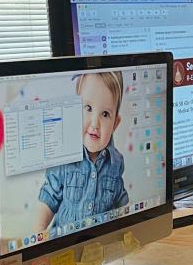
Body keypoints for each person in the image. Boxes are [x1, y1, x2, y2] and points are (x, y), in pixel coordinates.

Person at [37, 70, 129, 236]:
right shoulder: (64, 155)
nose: (95, 123)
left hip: (100, 244)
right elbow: (49, 198)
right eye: (88, 108)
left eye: (105, 114)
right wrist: (37, 235)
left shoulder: (116, 161)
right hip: (64, 245)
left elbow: (121, 201)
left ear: (115, 124)